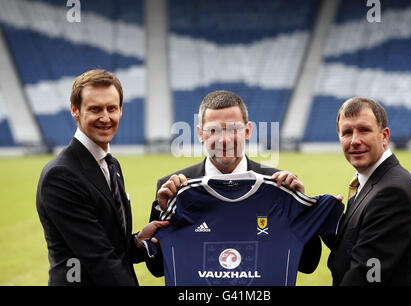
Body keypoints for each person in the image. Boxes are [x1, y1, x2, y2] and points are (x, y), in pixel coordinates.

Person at [146, 90, 322, 277]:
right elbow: (157, 269)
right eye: (213, 130)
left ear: (247, 131)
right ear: (200, 134)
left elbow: (308, 264)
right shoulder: (173, 188)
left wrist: (301, 209)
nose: (224, 140)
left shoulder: (279, 186)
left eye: (233, 129)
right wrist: (163, 211)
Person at [36, 69, 167, 286]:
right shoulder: (61, 175)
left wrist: (137, 241)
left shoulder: (111, 164)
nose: (105, 118)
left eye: (111, 108)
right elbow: (100, 259)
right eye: (95, 109)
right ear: (75, 110)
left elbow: (112, 245)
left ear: (121, 110)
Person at [326, 96, 411, 285]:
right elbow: (357, 243)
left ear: (384, 136)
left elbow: (366, 276)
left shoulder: (392, 194)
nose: (355, 141)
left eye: (364, 130)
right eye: (347, 132)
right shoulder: (372, 181)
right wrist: (317, 211)